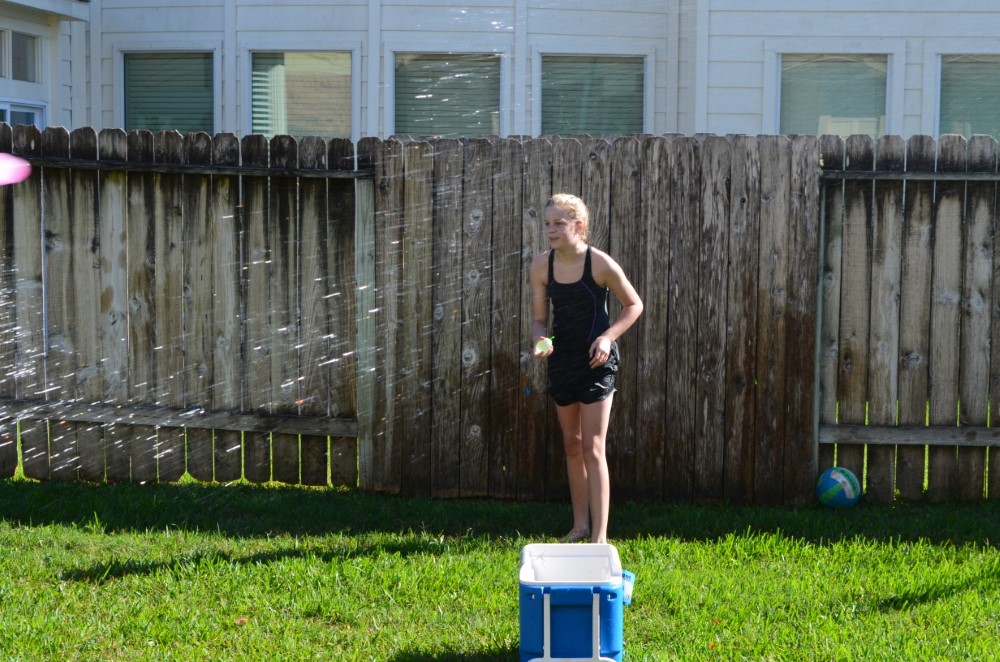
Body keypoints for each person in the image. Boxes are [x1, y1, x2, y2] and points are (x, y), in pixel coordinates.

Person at [530, 193, 643, 544]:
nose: (551, 230)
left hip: (597, 362)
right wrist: (540, 340)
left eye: (559, 223)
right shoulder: (541, 267)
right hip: (562, 362)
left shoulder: (600, 263)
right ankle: (579, 527)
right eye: (547, 224)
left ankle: (599, 537)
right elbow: (539, 320)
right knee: (572, 444)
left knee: (593, 447)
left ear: (578, 226)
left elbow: (634, 305)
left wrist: (608, 338)